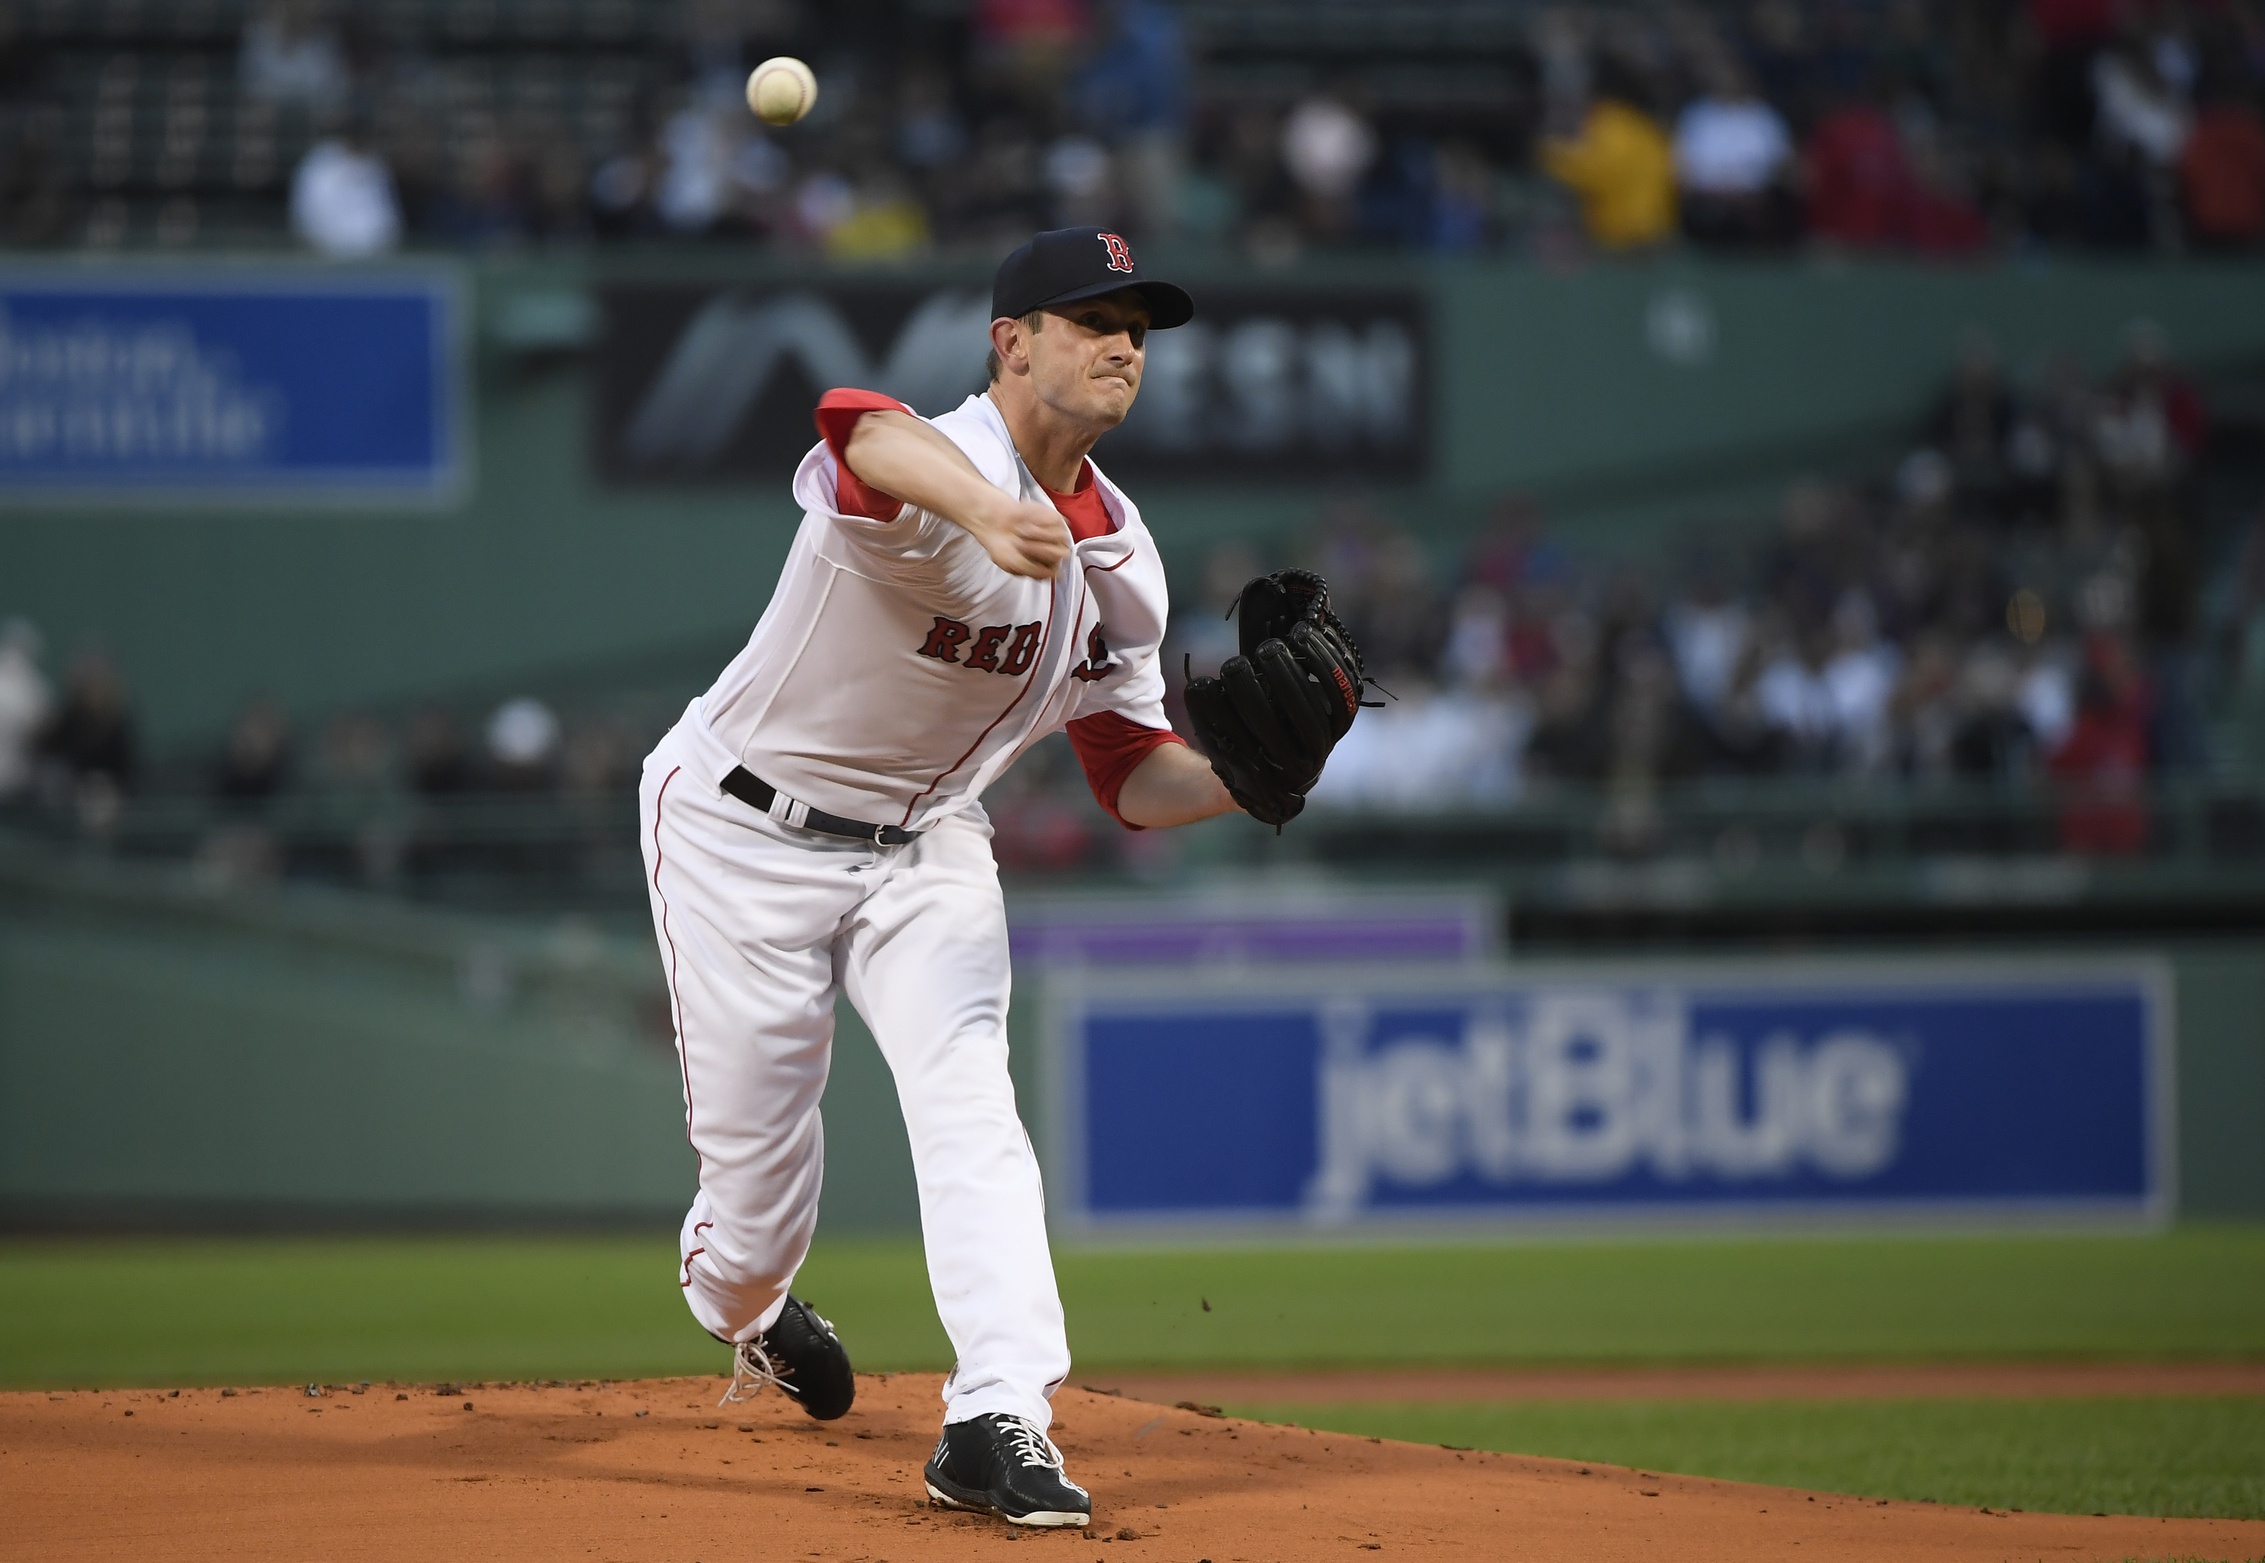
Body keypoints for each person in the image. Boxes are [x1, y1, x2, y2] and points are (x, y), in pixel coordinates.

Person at [637, 228, 1244, 1530]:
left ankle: (996, 1415)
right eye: (1091, 318)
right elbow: (852, 427)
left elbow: (1130, 773)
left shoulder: (1122, 557)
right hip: (742, 830)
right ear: (1010, 341)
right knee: (751, 1208)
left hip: (925, 848)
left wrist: (1250, 776)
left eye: (1137, 323)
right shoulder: (931, 460)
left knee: (970, 1098)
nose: (1123, 342)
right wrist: (982, 506)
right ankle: (744, 1306)